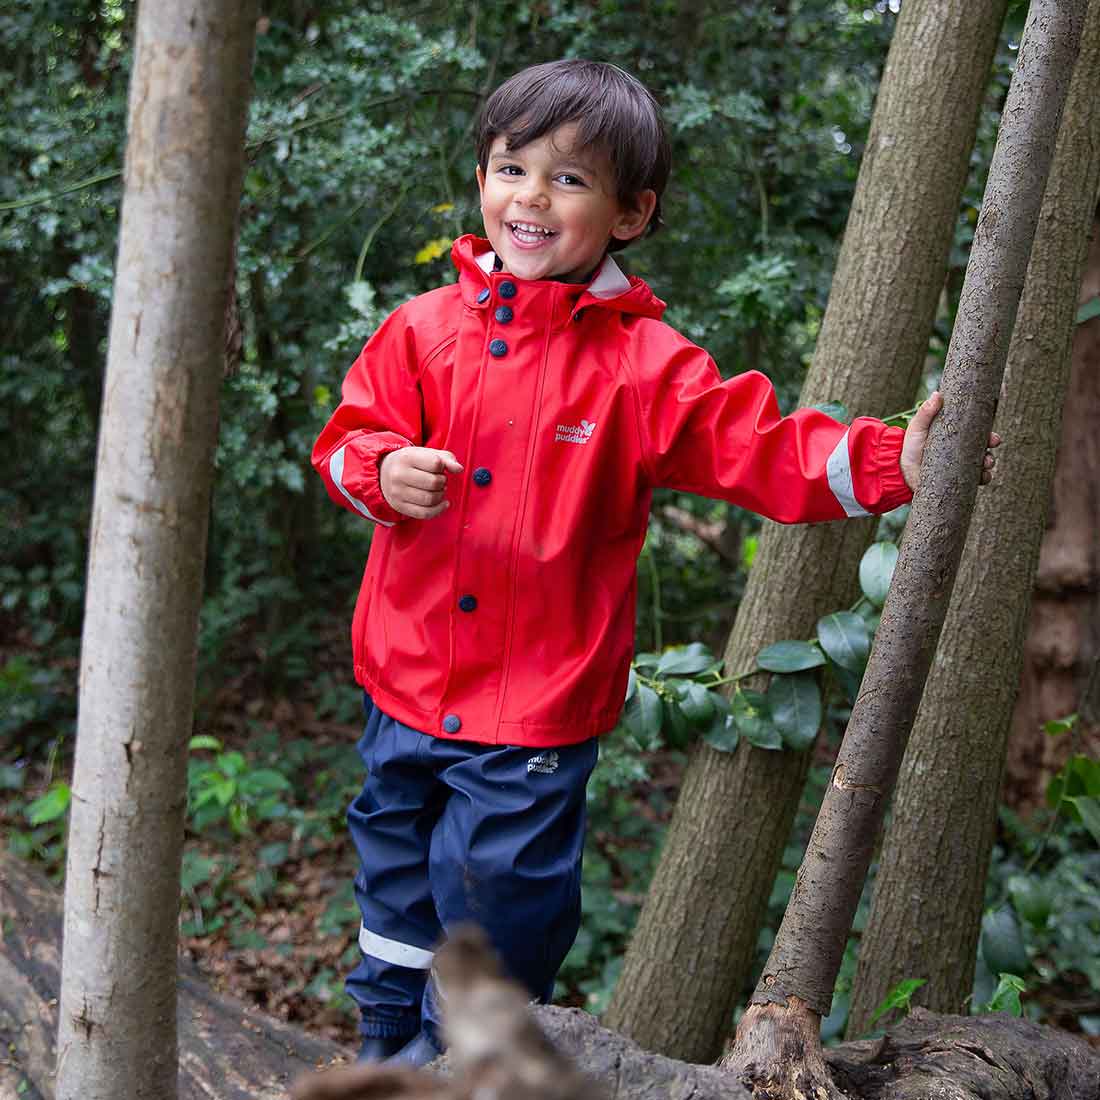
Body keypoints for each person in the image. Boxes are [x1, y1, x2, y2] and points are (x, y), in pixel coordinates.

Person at [311, 59, 996, 1067]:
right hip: (403, 682)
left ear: (630, 213)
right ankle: (381, 1047)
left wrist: (896, 459)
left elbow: (761, 446)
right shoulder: (421, 331)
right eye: (510, 168)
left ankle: (453, 1066)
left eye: (568, 179)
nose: (529, 197)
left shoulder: (642, 367)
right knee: (393, 887)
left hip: (532, 714)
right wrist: (378, 469)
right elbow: (343, 439)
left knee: (497, 908)